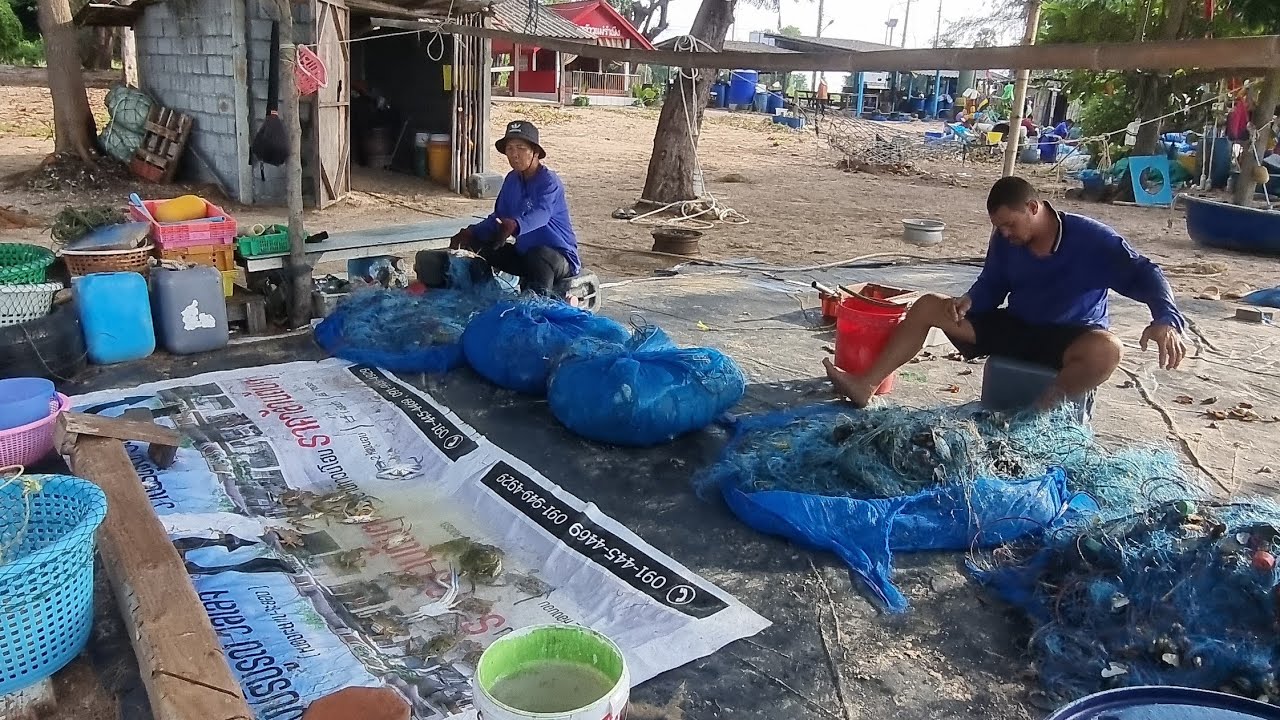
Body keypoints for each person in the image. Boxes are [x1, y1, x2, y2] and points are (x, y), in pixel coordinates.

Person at [824, 176, 1186, 411]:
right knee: (927, 306)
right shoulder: (1005, 239)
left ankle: (1040, 416)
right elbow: (993, 283)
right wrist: (970, 302)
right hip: (1018, 326)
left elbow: (1146, 271)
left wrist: (1165, 319)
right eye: (999, 227)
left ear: (1033, 208)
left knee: (1109, 349)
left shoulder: (1092, 240)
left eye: (1010, 225)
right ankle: (866, 384)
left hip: (1071, 335)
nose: (1006, 234)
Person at [449, 120, 581, 295]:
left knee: (538, 255)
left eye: (521, 148)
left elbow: (542, 214)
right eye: (510, 149)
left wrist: (515, 225)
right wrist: (472, 233)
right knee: (478, 247)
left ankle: (537, 305)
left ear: (535, 152)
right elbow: (498, 217)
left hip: (557, 258)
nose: (514, 154)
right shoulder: (511, 179)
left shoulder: (550, 182)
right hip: (525, 255)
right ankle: (479, 295)